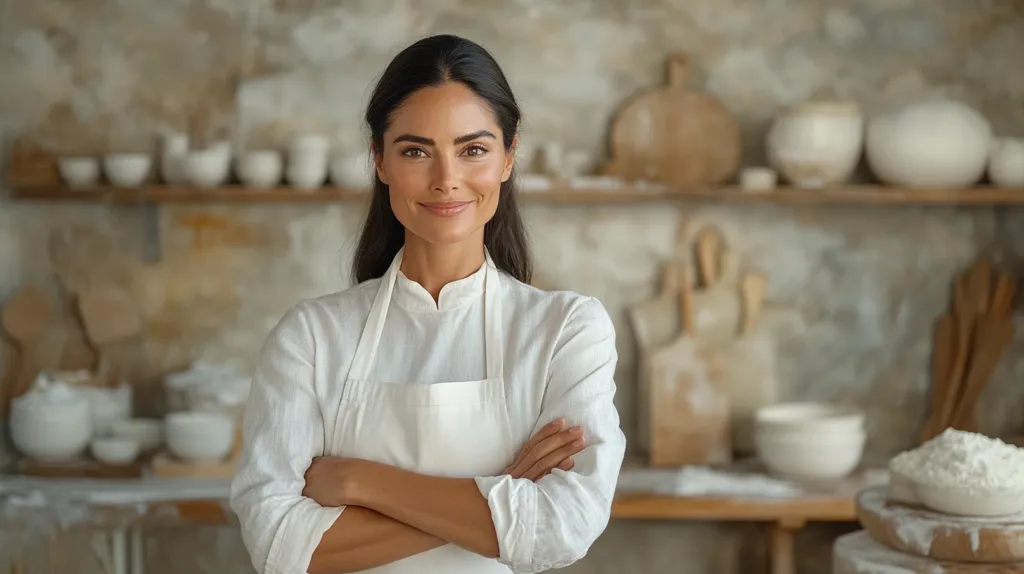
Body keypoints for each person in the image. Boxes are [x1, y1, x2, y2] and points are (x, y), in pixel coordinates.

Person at [230, 34, 627, 574]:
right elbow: (278, 547)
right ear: (379, 160)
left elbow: (563, 527)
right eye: (416, 151)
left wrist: (358, 482)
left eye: (474, 149)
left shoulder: (565, 330)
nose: (446, 180)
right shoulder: (313, 336)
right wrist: (504, 492)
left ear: (509, 158)